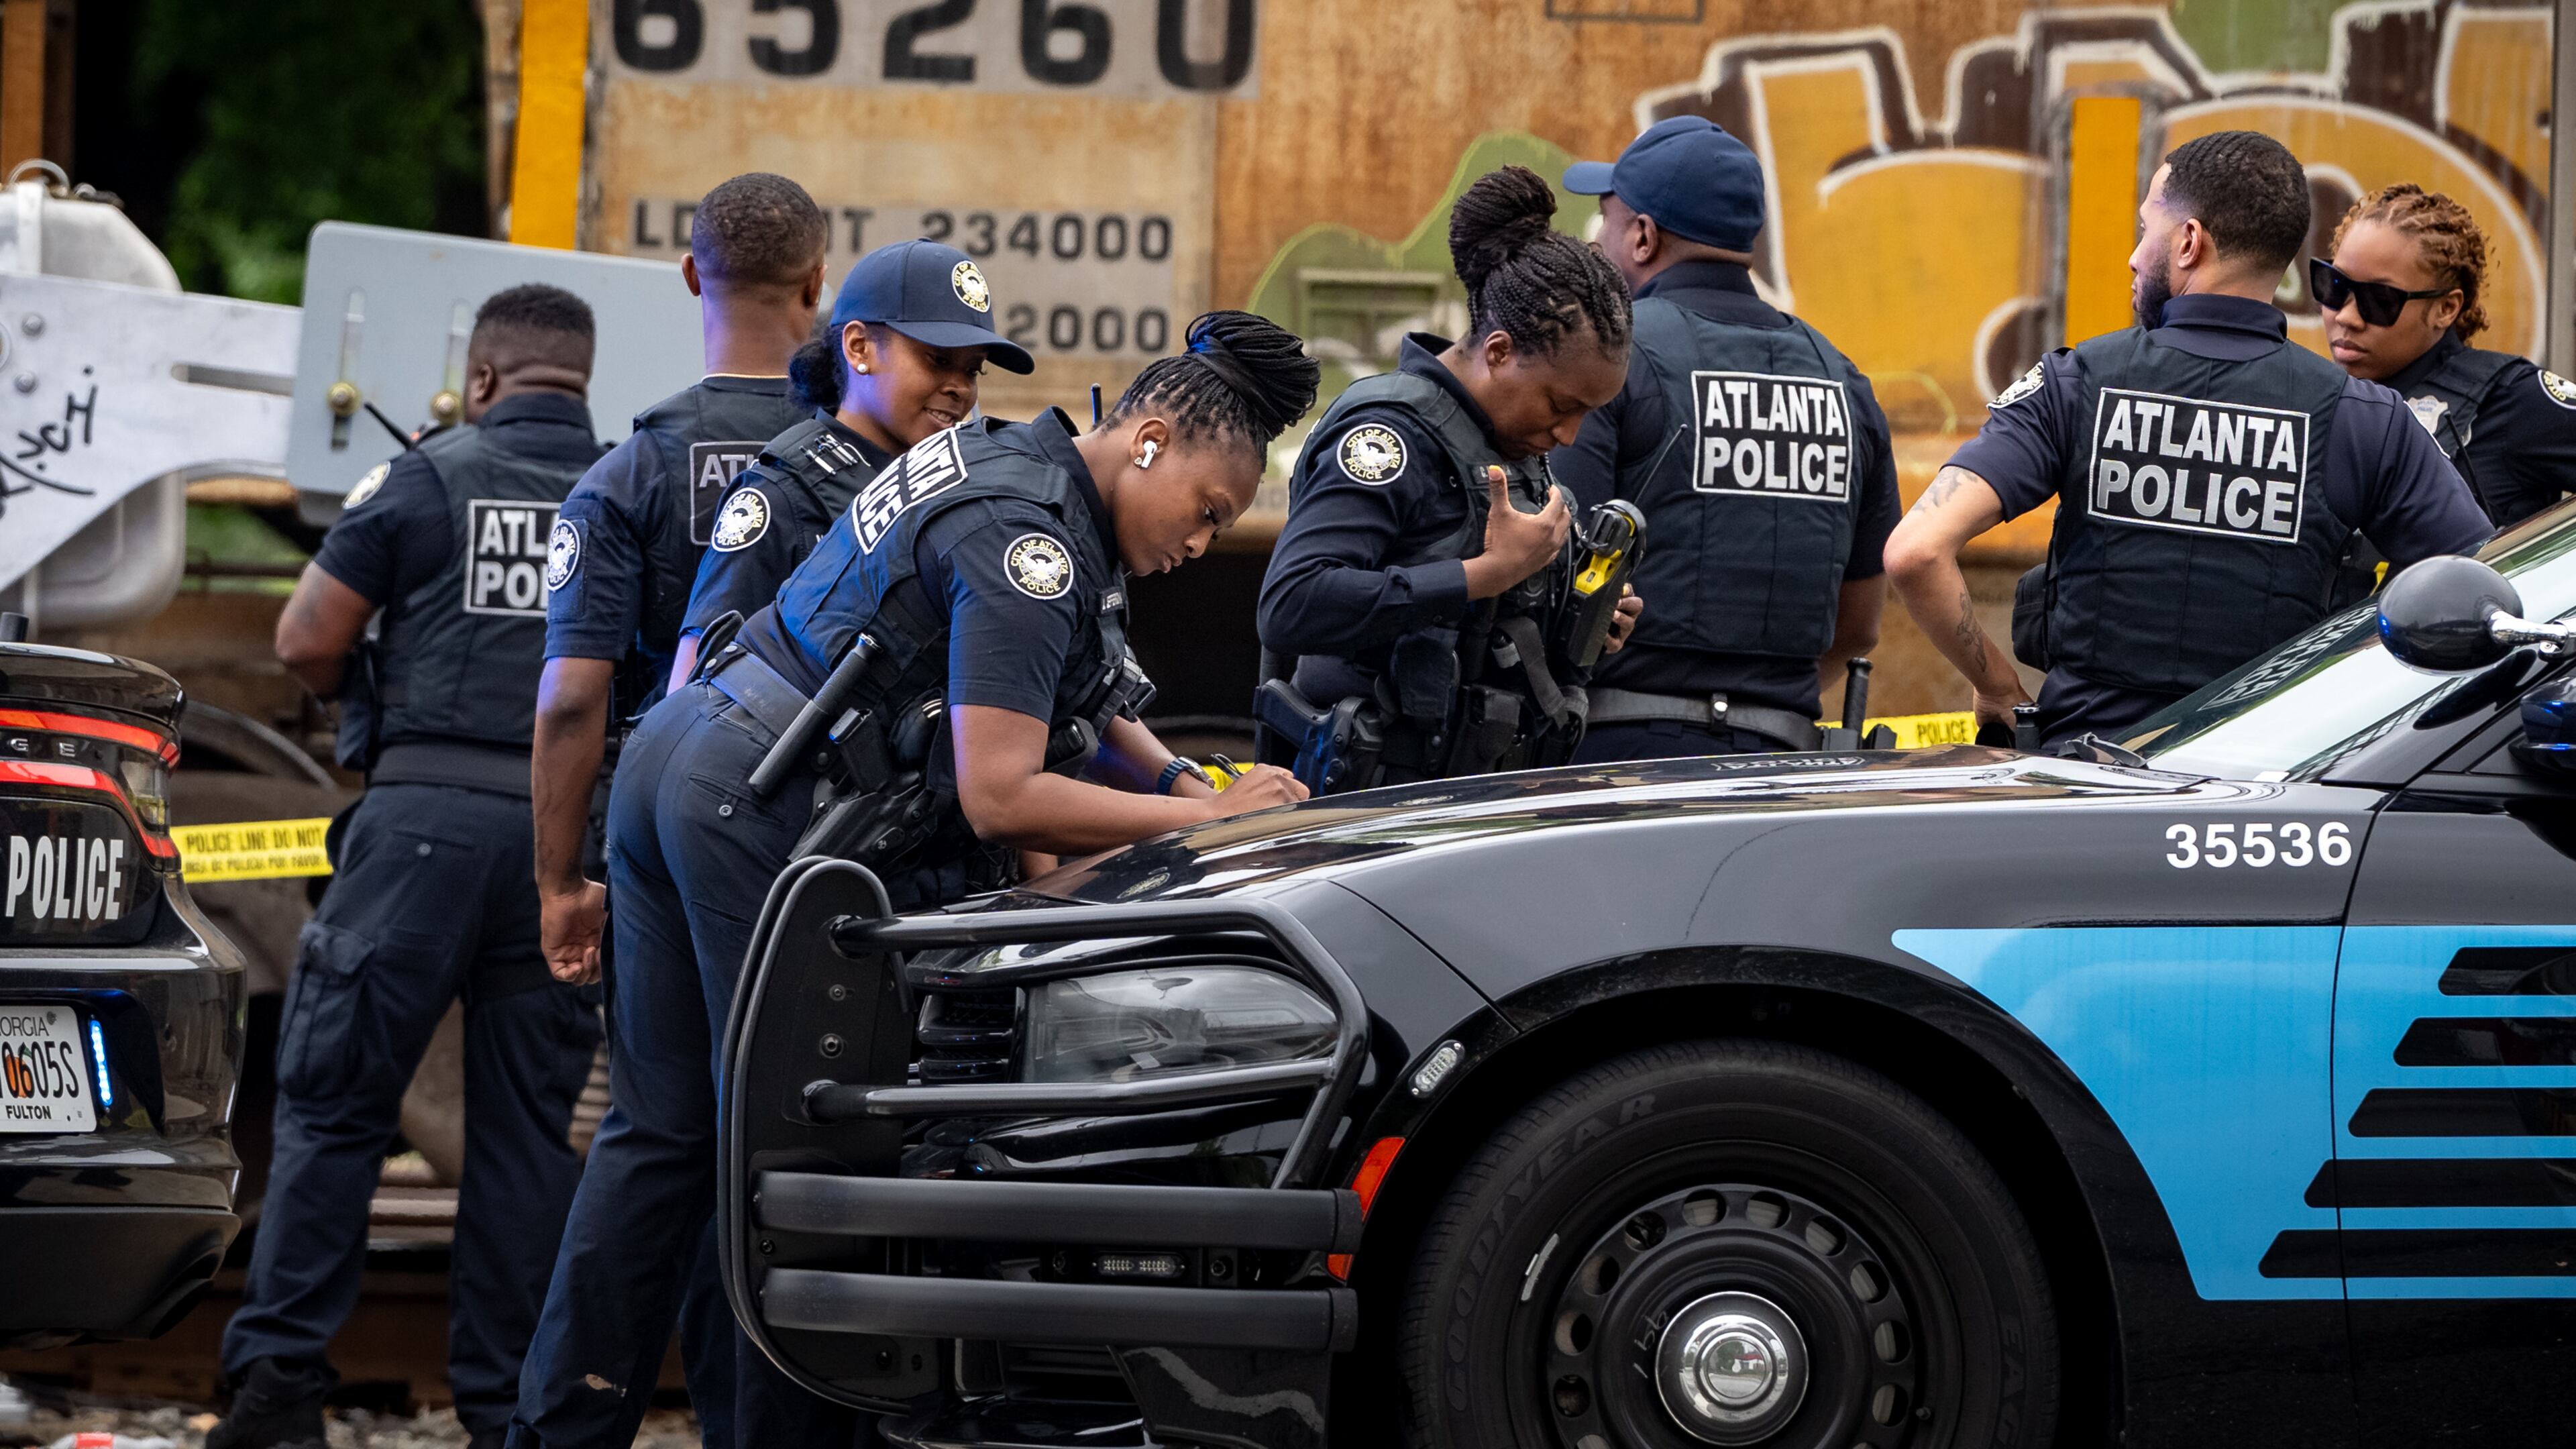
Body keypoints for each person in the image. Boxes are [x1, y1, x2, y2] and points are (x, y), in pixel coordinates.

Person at [514, 310, 1318, 1449]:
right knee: (804, 1160)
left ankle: (554, 1435)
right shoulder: (1029, 539)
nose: (1202, 544)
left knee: (665, 1135)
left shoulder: (1011, 461)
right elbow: (1001, 790)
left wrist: (1183, 784)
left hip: (682, 764)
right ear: (1148, 439)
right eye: (1209, 513)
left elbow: (1073, 706)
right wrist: (1211, 813)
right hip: (758, 808)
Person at [215, 286, 608, 1449]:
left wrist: (367, 704)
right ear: (580, 380)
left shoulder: (427, 475)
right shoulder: (623, 489)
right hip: (562, 844)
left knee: (335, 1116)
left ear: (482, 379)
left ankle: (278, 1395)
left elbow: (305, 639)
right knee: (527, 1142)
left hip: (418, 829)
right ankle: (505, 1415)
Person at [521, 172, 824, 1449]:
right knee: (774, 1142)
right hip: (814, 854)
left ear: (692, 279)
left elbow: (572, 702)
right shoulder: (866, 466)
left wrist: (561, 879)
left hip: (657, 835)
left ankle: (561, 1425)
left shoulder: (630, 469)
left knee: (658, 1129)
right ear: (821, 290)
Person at [1884, 131, 2491, 749]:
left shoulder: (2076, 383)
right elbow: (2492, 596)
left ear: (2188, 242)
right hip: (2269, 801)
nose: (2133, 255)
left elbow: (1916, 552)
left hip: (2084, 788)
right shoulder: (2368, 419)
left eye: (2146, 229)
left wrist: (1998, 688)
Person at [1255, 166, 1641, 790]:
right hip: (1369, 813)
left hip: (1470, 803)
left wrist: (1580, 620)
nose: (1569, 435)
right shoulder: (1389, 436)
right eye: (1559, 406)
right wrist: (1485, 575)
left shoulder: (1514, 448)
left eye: (1586, 415)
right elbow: (1292, 603)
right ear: (1498, 352)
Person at [1553, 117, 1900, 759]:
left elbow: (1559, 570)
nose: (1596, 242)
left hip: (1612, 764)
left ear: (1643, 235)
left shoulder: (1608, 358)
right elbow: (1858, 627)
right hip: (1778, 768)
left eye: (1605, 220)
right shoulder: (1843, 381)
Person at [674, 237, 1034, 689]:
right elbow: (691, 695)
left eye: (972, 370)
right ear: (860, 347)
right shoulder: (781, 496)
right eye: (938, 360)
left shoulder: (955, 488)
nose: (960, 387)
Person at [2318, 182, 2576, 527]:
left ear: (2445, 308)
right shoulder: (2317, 398)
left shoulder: (2512, 401)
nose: (2347, 317)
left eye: (2379, 300)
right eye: (2335, 286)